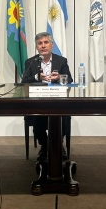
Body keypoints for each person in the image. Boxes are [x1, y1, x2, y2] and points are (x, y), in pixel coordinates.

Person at [22, 32, 73, 161]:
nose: (43, 46)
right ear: (36, 47)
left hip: (58, 102)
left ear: (51, 45)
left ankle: (58, 144)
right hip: (38, 103)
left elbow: (70, 79)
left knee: (64, 118)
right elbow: (23, 82)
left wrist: (59, 77)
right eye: (40, 43)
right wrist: (36, 77)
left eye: (46, 42)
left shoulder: (61, 61)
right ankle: (45, 146)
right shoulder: (30, 62)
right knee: (37, 118)